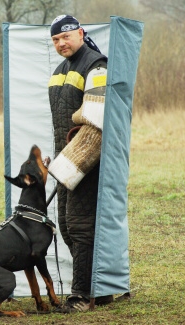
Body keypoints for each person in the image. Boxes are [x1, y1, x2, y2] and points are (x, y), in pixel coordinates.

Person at [48, 15, 113, 313]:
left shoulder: (96, 64)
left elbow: (96, 115)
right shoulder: (60, 69)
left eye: (66, 37)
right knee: (64, 223)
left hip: (88, 157)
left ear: (80, 34)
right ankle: (100, 291)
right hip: (66, 158)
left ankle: (81, 295)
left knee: (80, 226)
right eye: (56, 40)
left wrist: (74, 156)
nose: (61, 43)